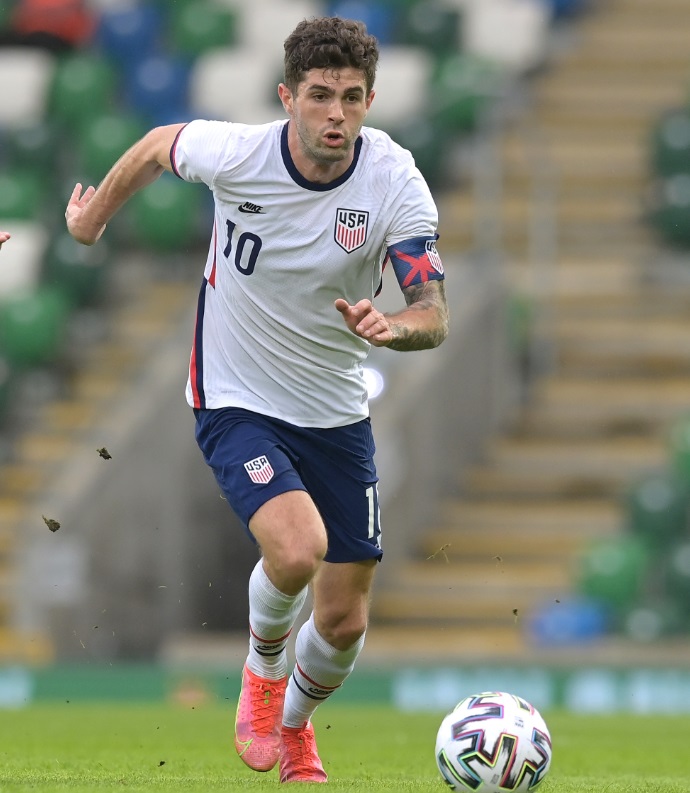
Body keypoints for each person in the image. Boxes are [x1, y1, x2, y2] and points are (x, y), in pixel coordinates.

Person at [65, 16, 449, 784]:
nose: (336, 114)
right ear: (287, 97)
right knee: (297, 548)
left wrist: (393, 326)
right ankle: (263, 671)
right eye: (320, 95)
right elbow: (156, 146)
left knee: (343, 620)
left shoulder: (394, 181)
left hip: (335, 409)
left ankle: (296, 726)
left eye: (351, 97)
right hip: (234, 395)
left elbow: (432, 313)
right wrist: (90, 221)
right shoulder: (237, 153)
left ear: (370, 102)